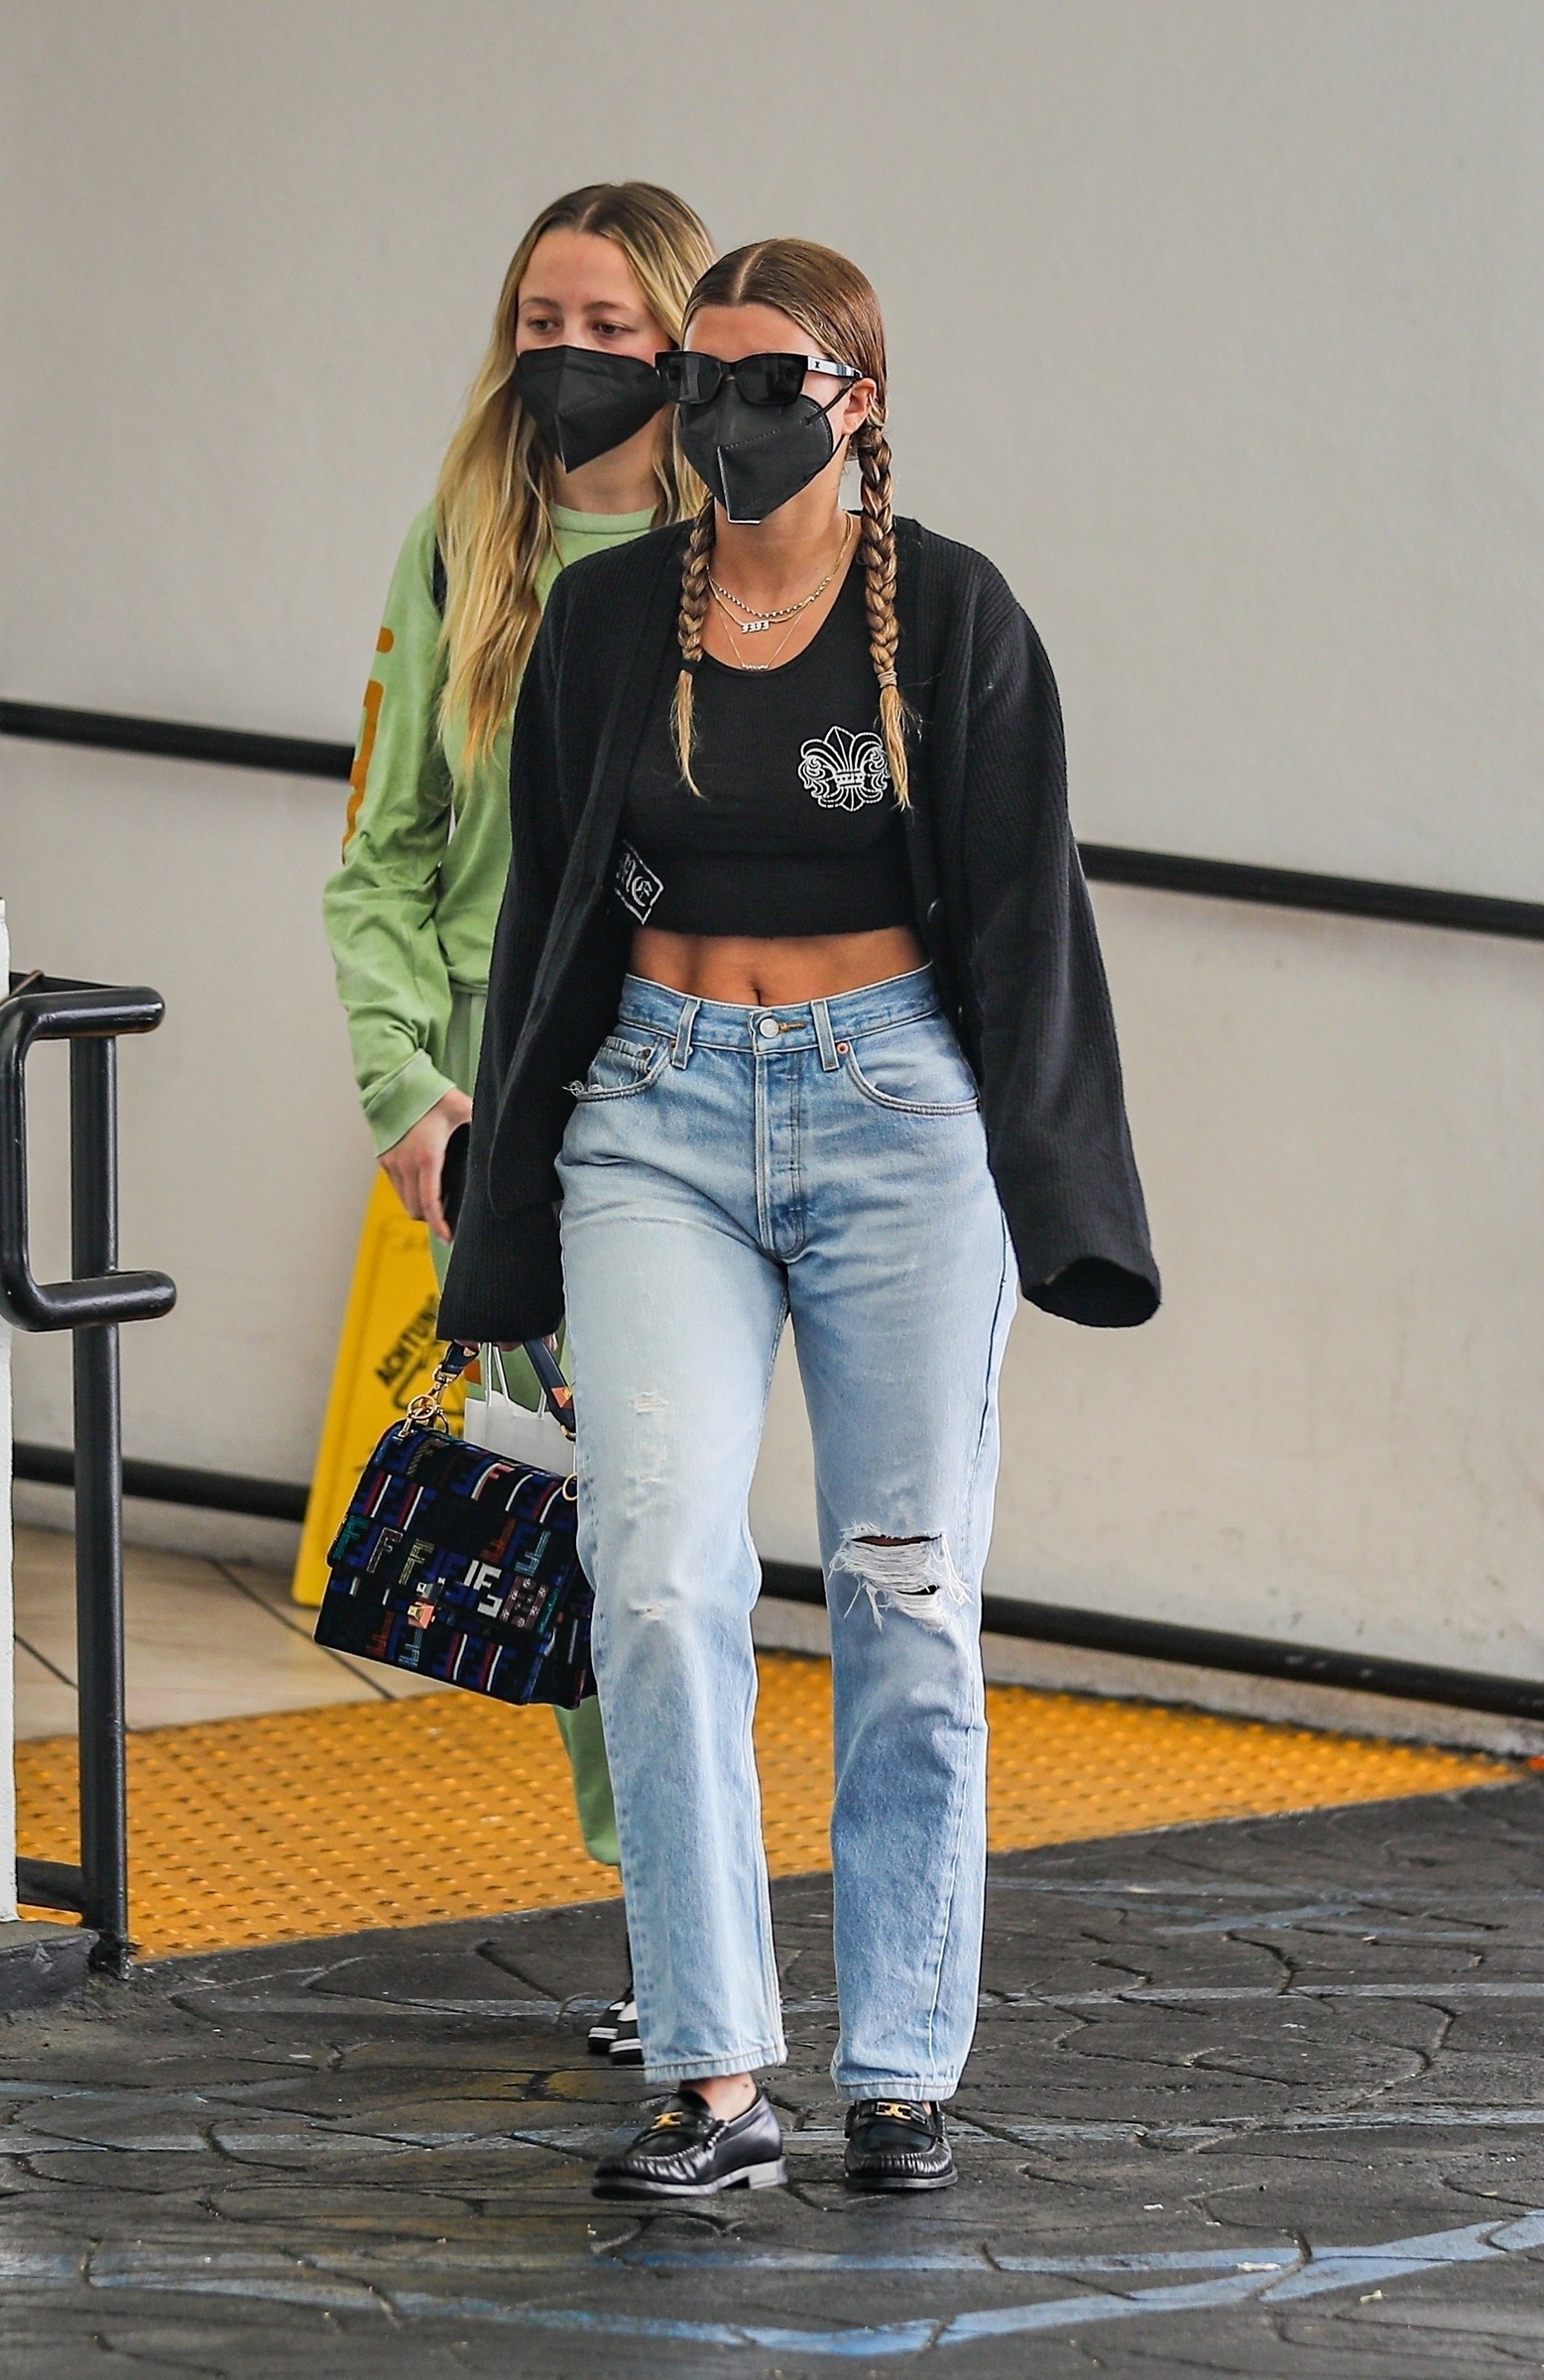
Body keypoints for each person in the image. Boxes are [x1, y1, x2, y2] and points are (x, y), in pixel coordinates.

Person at [438, 238, 1158, 2200]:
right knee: (657, 1576)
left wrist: (1059, 1193)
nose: (729, 417)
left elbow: (1024, 917)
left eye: (774, 383)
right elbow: (545, 925)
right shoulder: (607, 621)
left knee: (901, 1590)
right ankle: (717, 2080)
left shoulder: (956, 615)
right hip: (654, 1120)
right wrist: (505, 1198)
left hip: (892, 1117)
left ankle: (904, 2064)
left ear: (860, 401)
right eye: (702, 380)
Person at [323, 181, 715, 2066]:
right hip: (513, 1112)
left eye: (606, 329)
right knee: (603, 1529)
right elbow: (382, 854)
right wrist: (408, 1083)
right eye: (538, 325)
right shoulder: (463, 543)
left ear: (680, 345)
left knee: (670, 1533)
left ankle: (698, 1935)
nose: (565, 359)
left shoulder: (746, 549)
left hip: (704, 1083)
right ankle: (671, 1930)